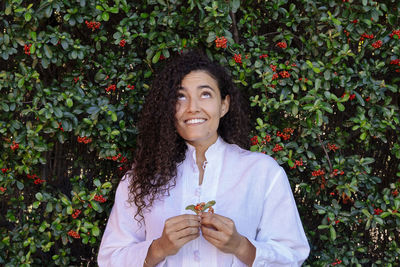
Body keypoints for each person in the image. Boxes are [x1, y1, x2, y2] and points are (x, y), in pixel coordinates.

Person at [97, 51, 310, 266]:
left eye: (205, 94)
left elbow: (292, 255)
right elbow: (109, 259)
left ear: (224, 105)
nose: (192, 107)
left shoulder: (262, 172)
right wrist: (158, 248)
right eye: (180, 96)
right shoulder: (140, 179)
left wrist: (240, 246)